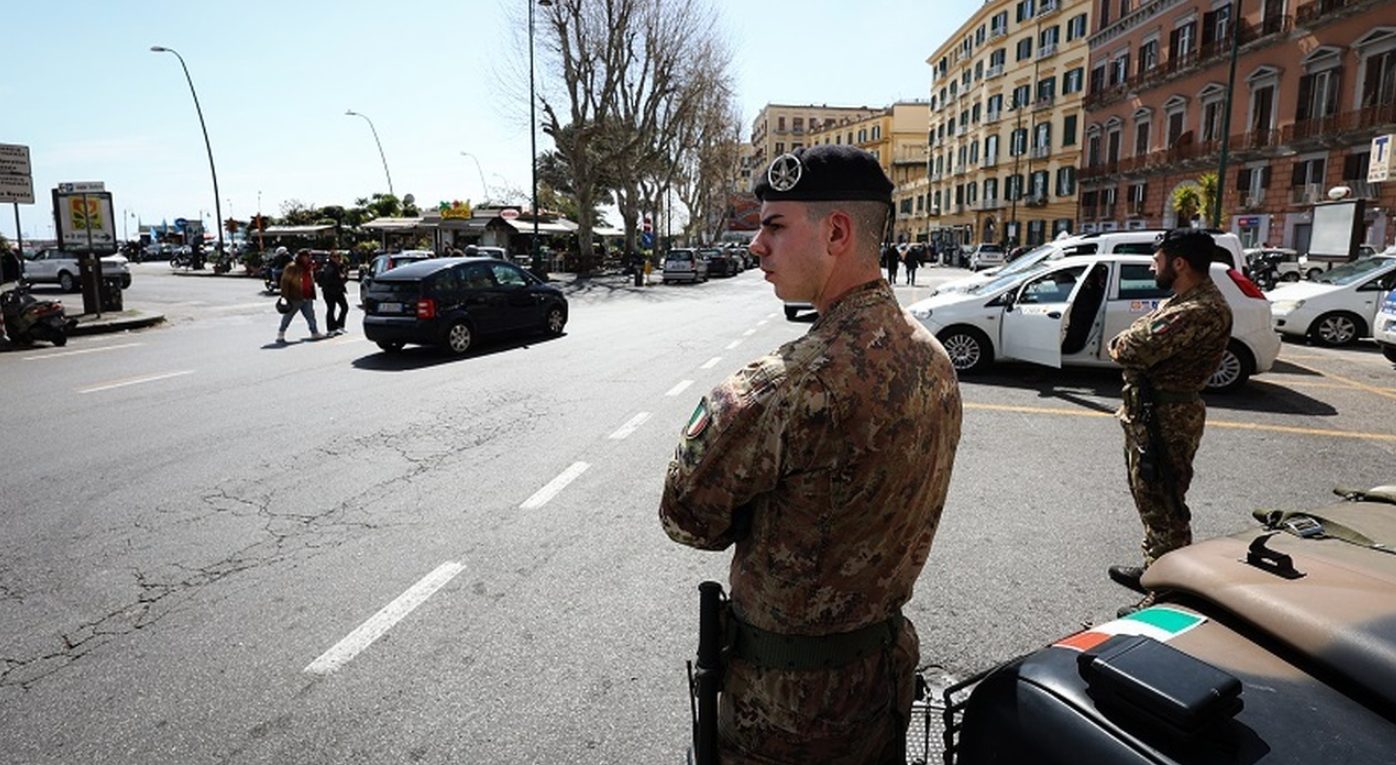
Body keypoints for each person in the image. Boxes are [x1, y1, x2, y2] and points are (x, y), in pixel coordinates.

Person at [659, 145, 963, 764]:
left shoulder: (788, 384)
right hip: (881, 681)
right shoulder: (932, 358)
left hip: (786, 714)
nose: (755, 245)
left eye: (774, 226)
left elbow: (685, 517)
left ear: (837, 232)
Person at [1106, 228, 1232, 616]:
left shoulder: (1198, 310)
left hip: (1168, 419)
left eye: (1157, 259)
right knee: (1151, 499)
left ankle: (1169, 592)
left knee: (1165, 504)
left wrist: (1124, 342)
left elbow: (1127, 348)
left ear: (1179, 263)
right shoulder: (1185, 300)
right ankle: (1156, 569)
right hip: (1153, 412)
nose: (1151, 265)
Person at [277, 249, 325, 343]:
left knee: (310, 316)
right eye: (307, 256)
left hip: (307, 295)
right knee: (288, 316)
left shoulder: (308, 266)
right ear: (301, 257)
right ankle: (281, 333)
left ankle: (314, 332)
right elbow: (285, 282)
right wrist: (284, 296)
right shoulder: (292, 266)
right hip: (295, 296)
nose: (309, 258)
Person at [318, 251, 350, 335]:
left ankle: (339, 325)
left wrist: (343, 277)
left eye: (338, 257)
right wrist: (340, 278)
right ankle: (331, 329)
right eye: (335, 257)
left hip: (338, 290)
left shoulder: (340, 266)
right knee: (331, 309)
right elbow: (330, 279)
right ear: (331, 257)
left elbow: (345, 277)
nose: (337, 259)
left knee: (345, 307)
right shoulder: (328, 267)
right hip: (329, 291)